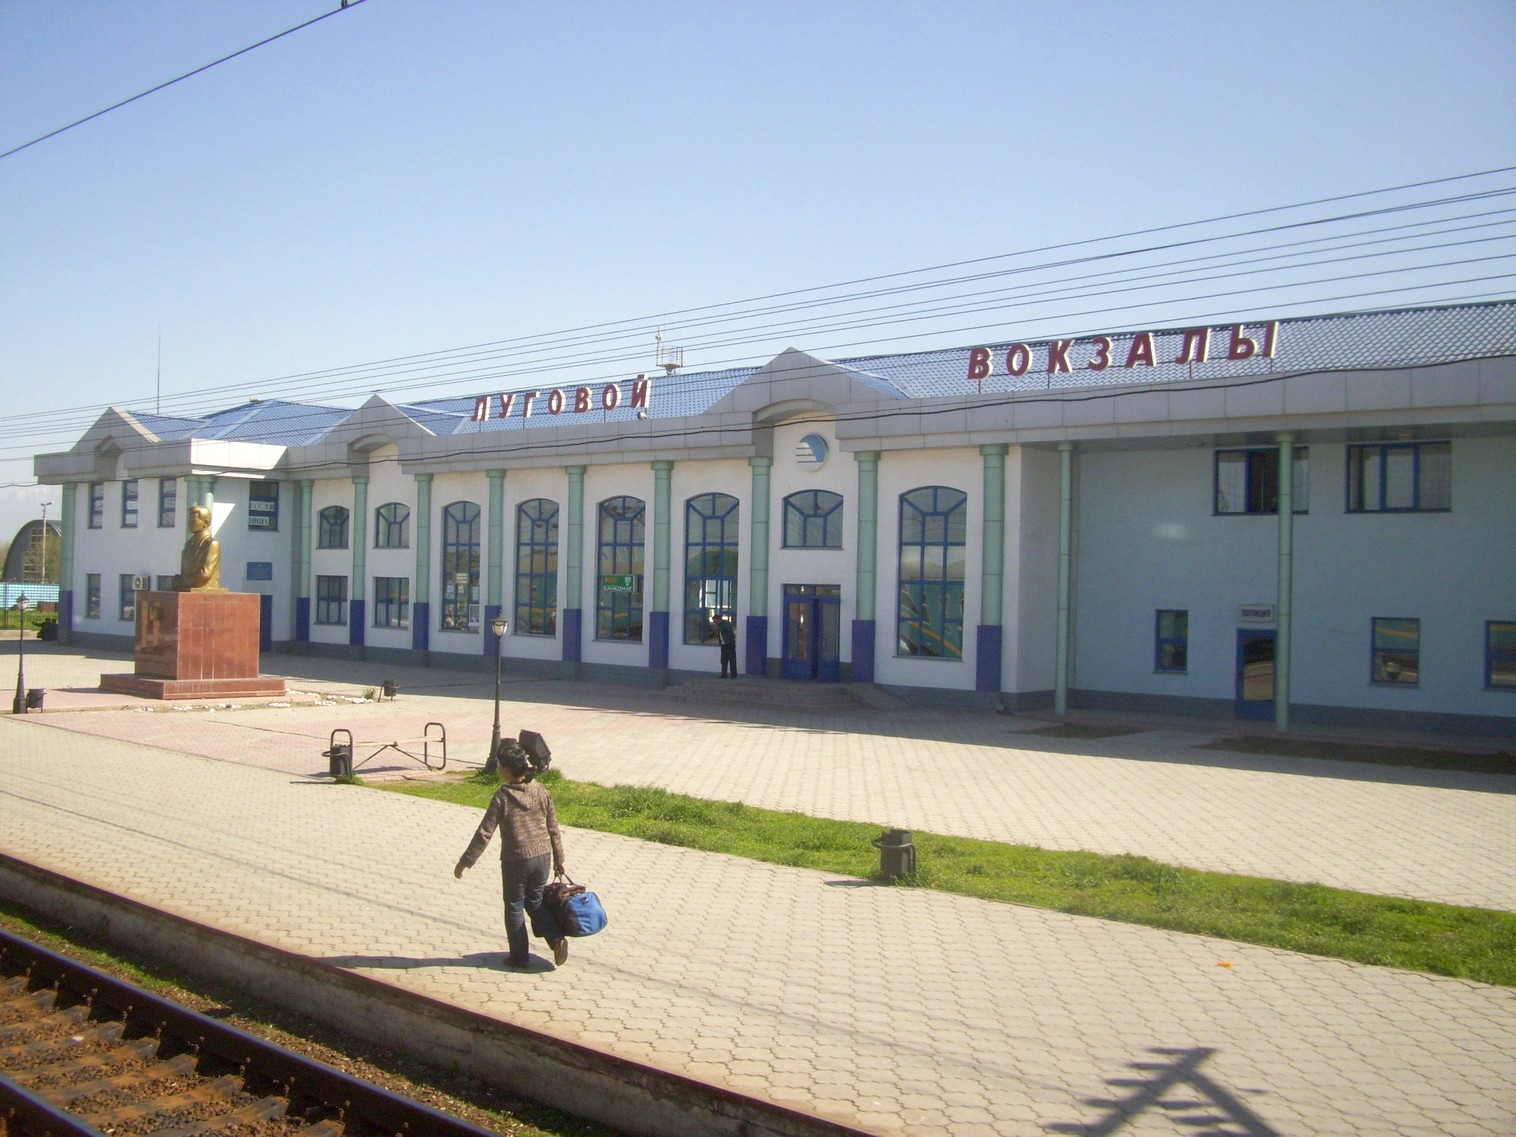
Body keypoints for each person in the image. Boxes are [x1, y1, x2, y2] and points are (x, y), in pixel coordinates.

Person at [454, 741, 569, 969]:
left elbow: (485, 832)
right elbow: (553, 828)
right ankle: (556, 940)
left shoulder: (503, 797)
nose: (498, 769)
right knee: (535, 902)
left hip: (516, 860)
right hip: (543, 857)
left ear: (507, 769)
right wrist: (559, 859)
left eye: (500, 765)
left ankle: (519, 957)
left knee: (514, 906)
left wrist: (465, 862)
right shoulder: (541, 791)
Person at [171, 504, 222, 591]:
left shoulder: (211, 544)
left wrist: (183, 581)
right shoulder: (189, 544)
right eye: (189, 521)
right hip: (186, 588)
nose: (189, 524)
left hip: (202, 588)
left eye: (193, 521)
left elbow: (205, 574)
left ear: (206, 522)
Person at [714, 612, 737, 678]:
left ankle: (733, 675)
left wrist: (719, 628)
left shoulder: (725, 624)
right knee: (723, 660)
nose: (714, 622)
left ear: (718, 619)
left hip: (729, 644)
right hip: (723, 644)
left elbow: (728, 631)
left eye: (715, 621)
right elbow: (719, 635)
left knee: (732, 660)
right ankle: (724, 674)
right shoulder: (719, 625)